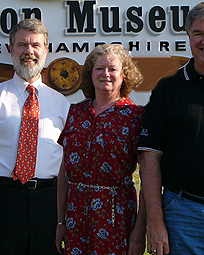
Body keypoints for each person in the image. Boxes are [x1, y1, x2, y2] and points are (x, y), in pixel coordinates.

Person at [138, 1, 204, 254]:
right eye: (197, 33)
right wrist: (155, 223)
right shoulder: (167, 88)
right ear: (189, 38)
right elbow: (149, 158)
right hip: (182, 216)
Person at [0, 18, 70, 254]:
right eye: (22, 45)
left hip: (48, 203)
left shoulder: (63, 105)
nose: (29, 52)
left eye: (35, 45)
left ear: (46, 51)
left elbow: (70, 164)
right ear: (11, 50)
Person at [55, 44, 146, 255]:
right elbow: (64, 171)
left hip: (117, 217)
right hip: (76, 216)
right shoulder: (75, 113)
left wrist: (139, 231)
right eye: (99, 68)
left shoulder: (135, 116)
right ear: (90, 73)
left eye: (112, 69)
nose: (106, 74)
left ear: (124, 75)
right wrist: (61, 222)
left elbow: (149, 177)